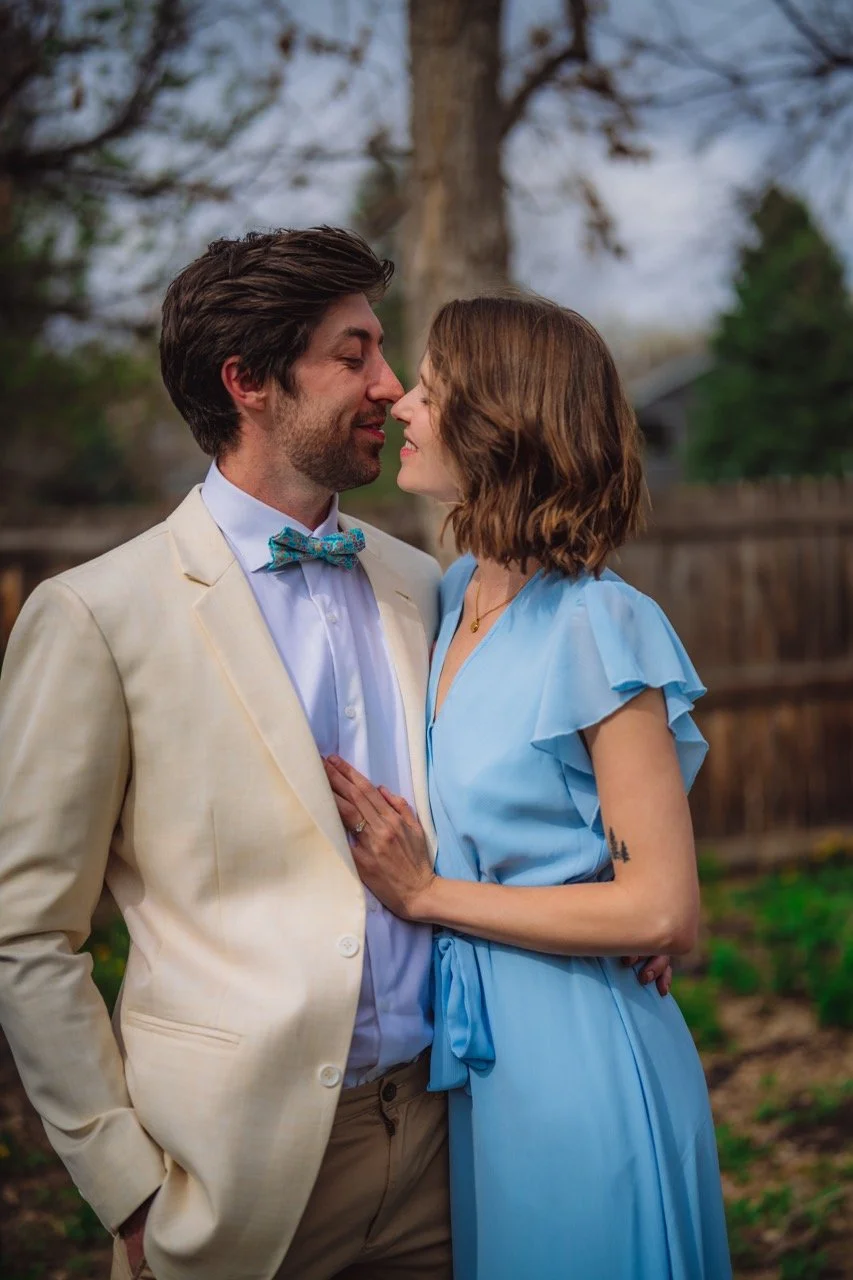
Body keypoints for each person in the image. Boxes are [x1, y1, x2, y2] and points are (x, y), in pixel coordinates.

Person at [0, 233, 671, 1280]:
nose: (388, 384)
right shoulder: (96, 615)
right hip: (239, 1174)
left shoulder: (431, 585)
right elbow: (26, 934)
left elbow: (547, 769)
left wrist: (625, 899)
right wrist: (122, 1178)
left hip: (463, 1131)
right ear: (250, 382)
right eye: (352, 353)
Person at [324, 294, 732, 1279]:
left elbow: (666, 908)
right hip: (479, 1066)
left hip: (580, 1059)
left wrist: (425, 895)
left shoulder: (596, 623)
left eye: (430, 388)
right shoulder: (449, 593)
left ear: (503, 420)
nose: (404, 406)